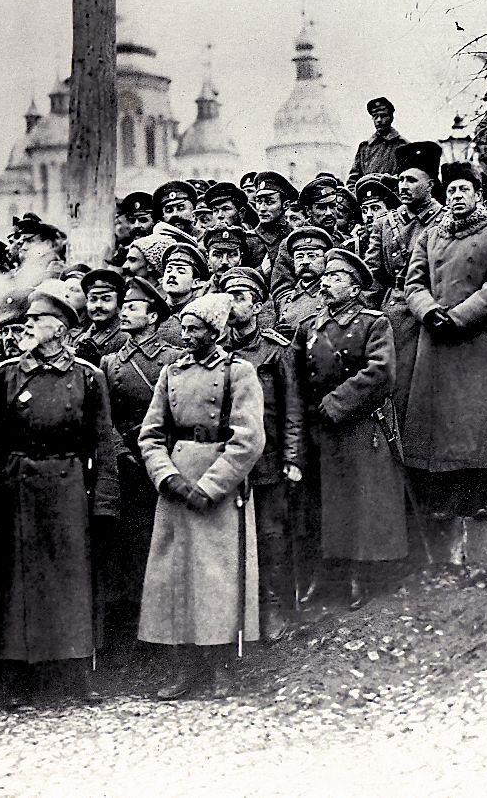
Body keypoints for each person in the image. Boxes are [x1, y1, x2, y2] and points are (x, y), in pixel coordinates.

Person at [0, 282, 119, 704]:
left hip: (69, 487)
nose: (29, 326)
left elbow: (103, 441)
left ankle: (75, 675)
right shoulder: (3, 376)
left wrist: (104, 500)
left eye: (37, 320)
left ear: (59, 328)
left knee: (71, 582)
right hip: (18, 489)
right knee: (20, 583)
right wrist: (0, 481)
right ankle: (19, 677)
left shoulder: (88, 377)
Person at [137, 293, 265, 700]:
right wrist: (166, 477)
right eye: (185, 328)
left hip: (219, 486)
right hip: (176, 483)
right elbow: (151, 434)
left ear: (217, 331)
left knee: (217, 579)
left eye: (196, 329)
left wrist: (211, 487)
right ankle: (183, 668)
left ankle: (223, 667)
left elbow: (248, 438)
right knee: (173, 577)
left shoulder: (238, 372)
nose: (187, 336)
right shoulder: (171, 373)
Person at [295, 250, 409, 608]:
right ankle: (327, 575)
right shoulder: (310, 327)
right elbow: (297, 375)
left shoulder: (375, 323)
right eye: (325, 277)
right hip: (321, 428)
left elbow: (381, 372)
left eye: (336, 278)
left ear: (356, 287)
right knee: (326, 502)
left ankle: (364, 575)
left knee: (363, 503)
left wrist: (335, 403)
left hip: (362, 425)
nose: (325, 283)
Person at [404, 161, 487, 519]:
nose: (456, 196)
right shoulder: (431, 236)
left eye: (463, 190)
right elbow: (414, 282)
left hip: (476, 340)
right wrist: (429, 311)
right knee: (439, 422)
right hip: (435, 338)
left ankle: (479, 497)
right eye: (450, 190)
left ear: (478, 195)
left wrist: (458, 317)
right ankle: (443, 499)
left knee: (476, 420)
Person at [98, 277, 182, 651]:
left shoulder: (172, 357)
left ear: (152, 316)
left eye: (133, 308)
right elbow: (105, 418)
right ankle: (131, 635)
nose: (124, 312)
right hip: (128, 466)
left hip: (163, 460)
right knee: (128, 547)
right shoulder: (109, 361)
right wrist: (122, 454)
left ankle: (164, 635)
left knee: (163, 544)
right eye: (125, 307)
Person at [224, 267, 304, 640]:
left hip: (269, 457)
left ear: (257, 305)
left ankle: (276, 609)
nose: (232, 304)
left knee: (271, 534)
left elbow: (292, 409)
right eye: (227, 297)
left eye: (239, 297)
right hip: (227, 457)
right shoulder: (218, 351)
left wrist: (291, 457)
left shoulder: (275, 350)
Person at [364, 141, 444, 425]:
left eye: (411, 179)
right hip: (395, 311)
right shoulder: (384, 224)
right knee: (394, 387)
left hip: (433, 310)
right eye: (400, 179)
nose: (403, 185)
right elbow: (373, 276)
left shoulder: (447, 221)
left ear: (431, 184)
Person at [273, 226, 331, 338]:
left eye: (312, 256)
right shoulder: (286, 299)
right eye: (299, 257)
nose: (305, 262)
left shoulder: (331, 295)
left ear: (325, 259)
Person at [349, 97, 407, 185]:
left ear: (391, 117)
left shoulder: (404, 146)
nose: (379, 120)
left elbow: (406, 179)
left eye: (383, 116)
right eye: (375, 116)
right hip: (366, 197)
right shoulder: (364, 148)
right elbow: (353, 180)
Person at [249, 171, 298, 277]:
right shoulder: (249, 240)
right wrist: (261, 272)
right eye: (259, 201)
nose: (262, 208)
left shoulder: (295, 237)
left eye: (269, 202)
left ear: (286, 205)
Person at [75, 268, 127, 365]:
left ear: (118, 303)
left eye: (106, 299)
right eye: (93, 299)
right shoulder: (80, 338)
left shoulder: (125, 338)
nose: (98, 305)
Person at [160, 242, 209, 317]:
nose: (172, 275)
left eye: (181, 272)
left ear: (195, 283)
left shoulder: (200, 311)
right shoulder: (155, 307)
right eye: (169, 270)